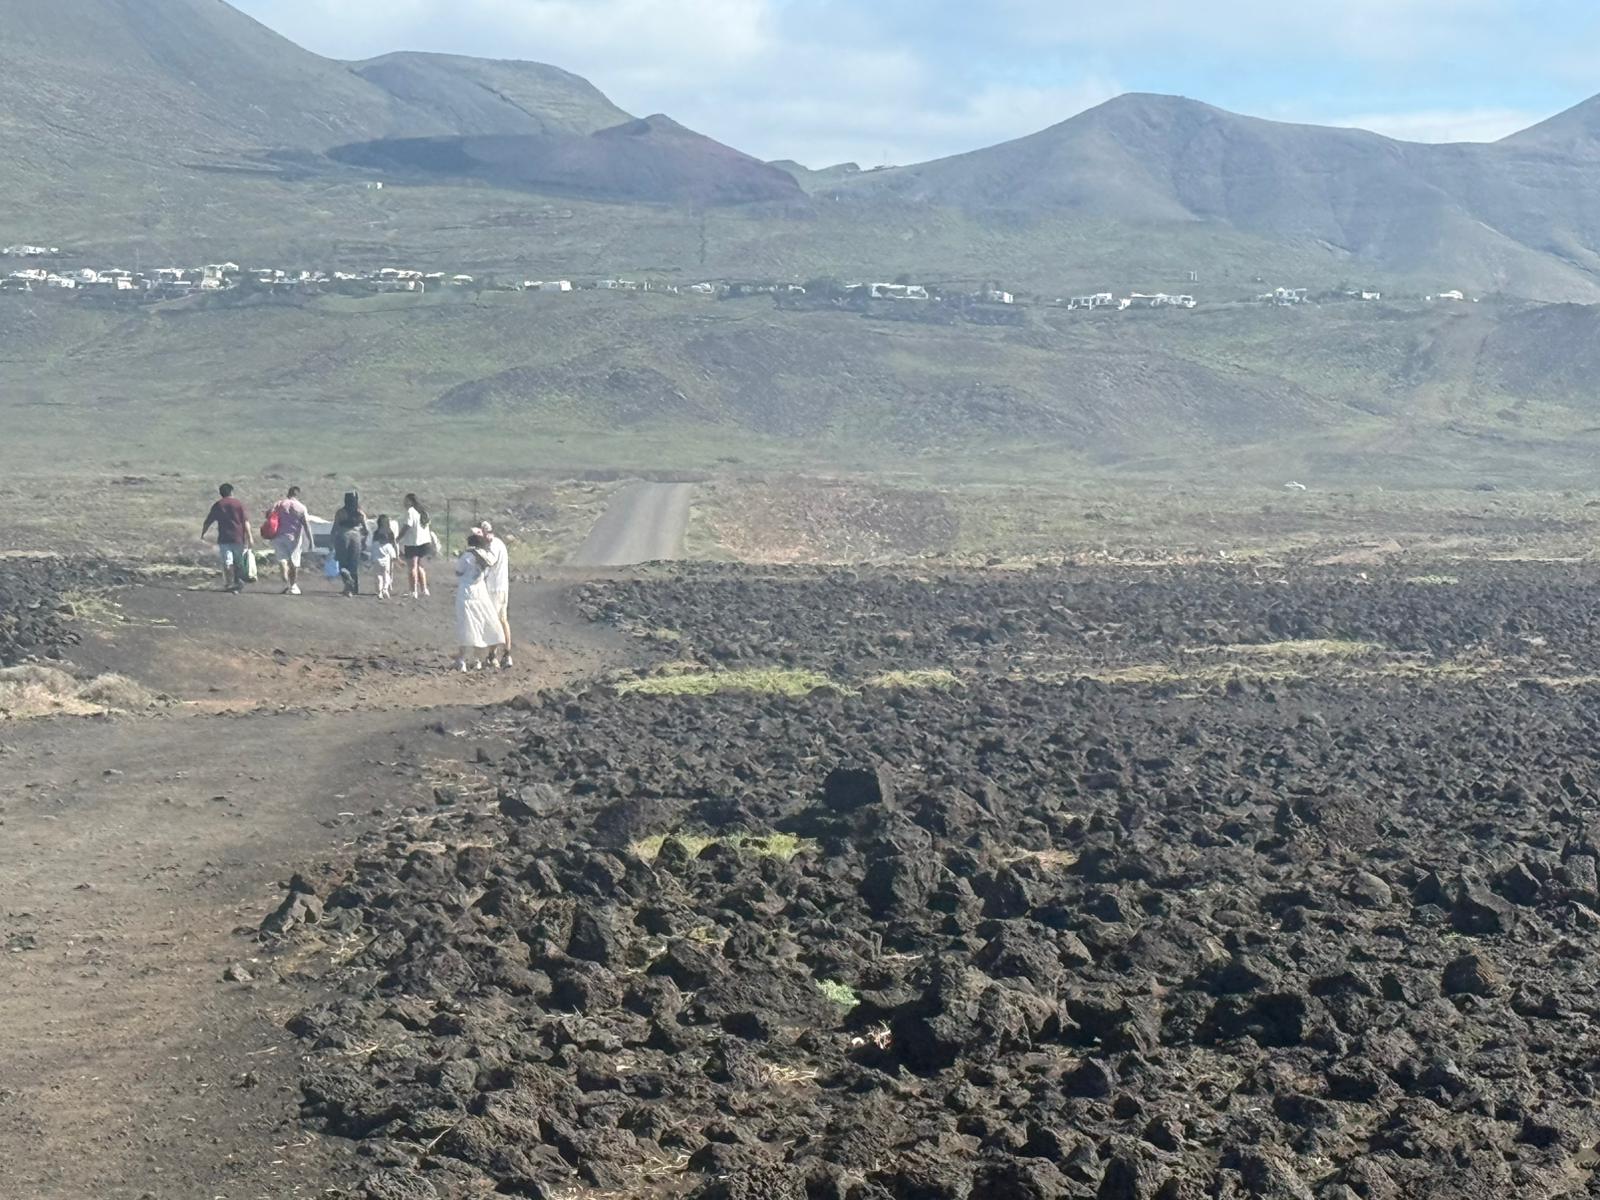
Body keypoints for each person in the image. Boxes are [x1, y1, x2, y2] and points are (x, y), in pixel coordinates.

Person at [454, 533, 503, 670]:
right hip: (481, 592)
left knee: (466, 625)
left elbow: (458, 572)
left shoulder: (466, 556)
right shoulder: (485, 556)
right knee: (479, 623)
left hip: (466, 592)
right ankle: (477, 660)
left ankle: (462, 659)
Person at [201, 483, 253, 593]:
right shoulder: (238, 504)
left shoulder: (218, 505)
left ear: (221, 493)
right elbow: (245, 521)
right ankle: (237, 582)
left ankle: (229, 583)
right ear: (231, 491)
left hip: (224, 538)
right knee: (238, 562)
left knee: (227, 562)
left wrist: (203, 533)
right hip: (238, 537)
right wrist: (250, 537)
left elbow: (208, 521)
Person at [479, 521, 513, 668]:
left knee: (493, 622)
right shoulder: (499, 544)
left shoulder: (493, 546)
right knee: (502, 620)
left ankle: (492, 656)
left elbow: (490, 562)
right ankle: (506, 654)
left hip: (494, 589)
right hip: (502, 587)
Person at [268, 485, 311, 595]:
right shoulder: (301, 507)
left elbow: (269, 514)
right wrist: (311, 540)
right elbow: (306, 525)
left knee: (282, 557)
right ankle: (292, 586)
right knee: (294, 562)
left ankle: (283, 567)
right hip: (294, 538)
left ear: (288, 493)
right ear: (297, 495)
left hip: (278, 536)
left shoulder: (279, 504)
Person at [330, 492, 369, 597]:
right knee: (353, 563)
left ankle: (347, 588)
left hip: (343, 537)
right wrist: (364, 541)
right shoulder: (360, 513)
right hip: (356, 538)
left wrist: (331, 542)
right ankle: (354, 588)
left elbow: (335, 528)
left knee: (343, 563)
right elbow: (366, 531)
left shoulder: (340, 512)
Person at [401, 493, 434, 599]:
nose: (404, 503)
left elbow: (407, 526)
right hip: (425, 542)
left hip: (413, 542)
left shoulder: (411, 512)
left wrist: (398, 538)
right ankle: (424, 590)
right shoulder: (423, 512)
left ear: (410, 501)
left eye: (406, 500)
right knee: (420, 567)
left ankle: (413, 591)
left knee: (412, 567)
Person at [372, 514, 401, 600]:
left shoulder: (376, 534)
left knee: (378, 576)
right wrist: (396, 557)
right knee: (386, 574)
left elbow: (372, 547)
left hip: (377, 559)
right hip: (387, 559)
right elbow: (394, 545)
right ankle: (385, 589)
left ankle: (379, 592)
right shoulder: (390, 533)